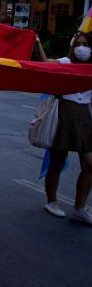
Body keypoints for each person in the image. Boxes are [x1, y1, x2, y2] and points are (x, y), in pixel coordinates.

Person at [35, 32, 92, 224]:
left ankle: (79, 207)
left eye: (86, 44)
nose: (82, 48)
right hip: (64, 115)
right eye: (78, 44)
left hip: (84, 117)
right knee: (57, 162)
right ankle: (51, 201)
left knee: (89, 165)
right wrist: (37, 42)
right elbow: (45, 64)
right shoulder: (66, 62)